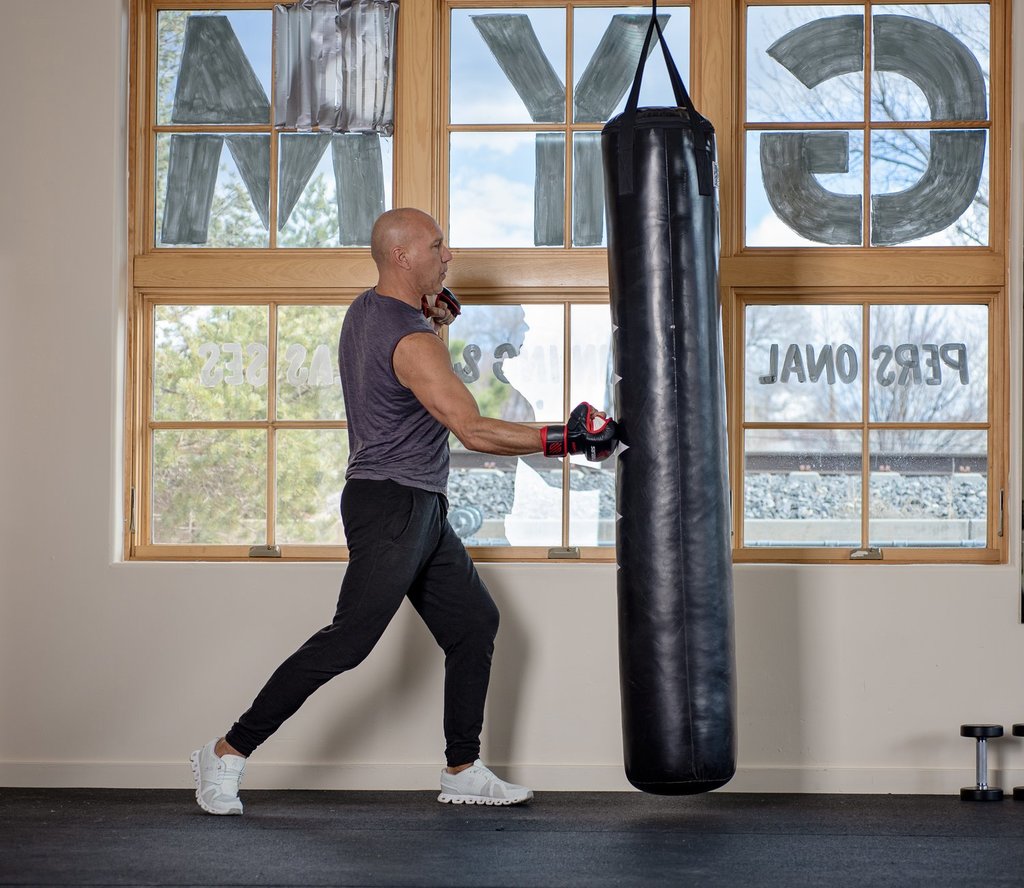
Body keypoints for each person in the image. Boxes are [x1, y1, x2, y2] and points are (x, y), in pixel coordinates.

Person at [190, 207, 619, 815]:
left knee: (474, 624)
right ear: (402, 255)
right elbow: (471, 429)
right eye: (437, 246)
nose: (448, 255)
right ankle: (225, 752)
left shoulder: (367, 312)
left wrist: (433, 320)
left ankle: (462, 769)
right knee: (348, 641)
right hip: (392, 502)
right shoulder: (412, 340)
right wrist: (566, 439)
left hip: (415, 504)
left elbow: (404, 394)